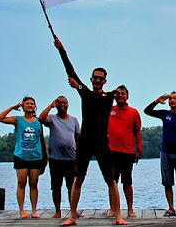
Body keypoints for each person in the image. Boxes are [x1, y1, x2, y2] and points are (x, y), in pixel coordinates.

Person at [54, 37, 127, 226]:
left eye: (100, 79)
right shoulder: (84, 92)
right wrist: (62, 50)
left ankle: (118, 215)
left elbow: (115, 98)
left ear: (105, 81)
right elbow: (70, 70)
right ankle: (72, 216)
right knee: (78, 179)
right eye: (94, 78)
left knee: (111, 180)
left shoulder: (108, 96)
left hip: (102, 142)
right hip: (85, 141)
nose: (97, 80)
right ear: (91, 79)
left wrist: (79, 86)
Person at [0, 96, 47, 219]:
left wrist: (45, 158)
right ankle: (22, 211)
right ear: (23, 106)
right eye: (27, 103)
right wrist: (12, 108)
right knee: (21, 183)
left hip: (36, 156)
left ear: (35, 107)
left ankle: (34, 211)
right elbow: (0, 118)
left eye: (32, 104)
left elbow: (42, 140)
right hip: (21, 156)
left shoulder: (38, 121)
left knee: (34, 184)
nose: (29, 105)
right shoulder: (18, 120)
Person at [143, 92, 176, 217]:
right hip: (165, 153)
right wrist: (157, 101)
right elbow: (147, 111)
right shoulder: (165, 114)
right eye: (170, 98)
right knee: (167, 182)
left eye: (175, 98)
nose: (172, 100)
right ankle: (171, 208)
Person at [38, 96, 81, 219]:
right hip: (55, 159)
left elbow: (78, 139)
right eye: (60, 103)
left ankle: (73, 210)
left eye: (65, 103)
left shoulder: (74, 120)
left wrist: (79, 158)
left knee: (72, 186)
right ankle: (58, 211)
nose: (62, 105)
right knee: (56, 187)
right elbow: (41, 119)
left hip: (71, 159)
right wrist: (51, 105)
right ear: (56, 104)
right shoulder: (52, 119)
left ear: (68, 104)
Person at [105, 85, 143, 218]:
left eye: (123, 94)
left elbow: (137, 132)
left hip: (127, 152)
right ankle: (112, 208)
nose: (120, 96)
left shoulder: (134, 112)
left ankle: (130, 209)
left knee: (127, 182)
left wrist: (139, 149)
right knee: (112, 181)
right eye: (118, 94)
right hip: (111, 151)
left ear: (127, 96)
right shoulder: (109, 110)